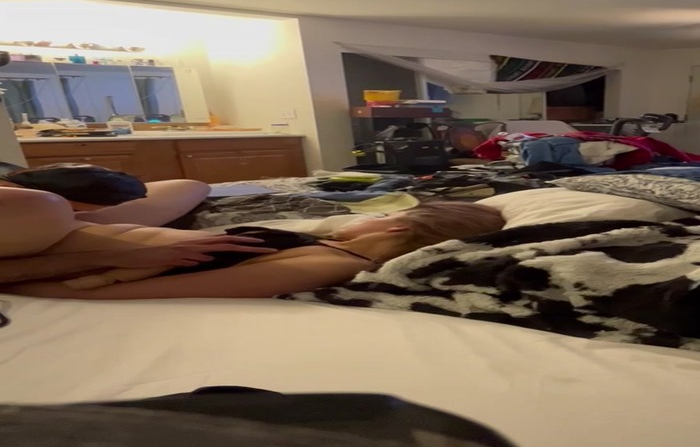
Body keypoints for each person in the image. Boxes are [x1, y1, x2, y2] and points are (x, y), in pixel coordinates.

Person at [1, 201, 505, 300]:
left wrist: (33, 289)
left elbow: (130, 292)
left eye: (385, 212)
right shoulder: (326, 243)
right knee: (188, 186)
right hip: (75, 230)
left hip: (47, 243)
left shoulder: (327, 263)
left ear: (397, 226)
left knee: (47, 206)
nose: (358, 218)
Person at [0, 164, 273, 281]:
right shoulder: (46, 208)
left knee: (191, 186)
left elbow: (191, 186)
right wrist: (115, 257)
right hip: (38, 211)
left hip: (30, 196)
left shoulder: (43, 203)